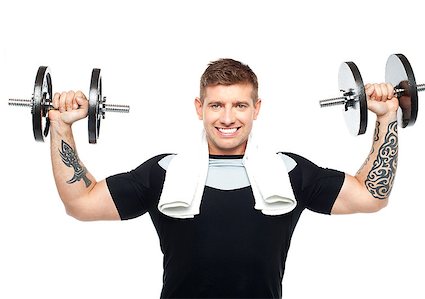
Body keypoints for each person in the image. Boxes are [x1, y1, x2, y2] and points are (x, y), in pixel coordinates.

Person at [49, 58, 399, 298]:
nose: (228, 117)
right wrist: (61, 125)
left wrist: (386, 116)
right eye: (216, 105)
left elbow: (371, 196)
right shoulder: (163, 174)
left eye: (240, 105)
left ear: (256, 109)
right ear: (200, 108)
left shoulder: (289, 172)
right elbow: (81, 203)